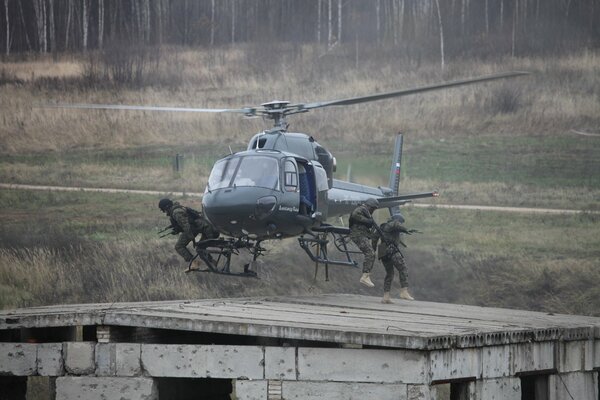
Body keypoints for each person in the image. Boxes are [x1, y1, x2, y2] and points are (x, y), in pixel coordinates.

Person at [158, 198, 219, 272]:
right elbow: (189, 223)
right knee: (200, 248)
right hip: (206, 228)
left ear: (166, 207)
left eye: (164, 210)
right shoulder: (179, 209)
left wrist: (192, 239)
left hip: (206, 230)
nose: (165, 212)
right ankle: (212, 263)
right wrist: (177, 230)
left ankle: (194, 263)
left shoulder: (176, 212)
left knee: (179, 246)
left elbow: (187, 226)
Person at [375, 216, 417, 303]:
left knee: (389, 274)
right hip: (391, 249)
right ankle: (404, 291)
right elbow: (396, 224)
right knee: (403, 268)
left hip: (382, 250)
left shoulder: (382, 227)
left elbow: (374, 239)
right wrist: (406, 230)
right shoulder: (394, 223)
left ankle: (386, 297)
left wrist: (373, 250)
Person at [349, 198, 379, 288]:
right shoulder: (361, 209)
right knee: (370, 253)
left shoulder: (366, 212)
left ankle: (366, 275)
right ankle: (365, 276)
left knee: (371, 253)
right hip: (358, 235)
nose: (373, 211)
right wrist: (367, 220)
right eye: (373, 208)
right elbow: (354, 215)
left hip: (361, 234)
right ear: (369, 206)